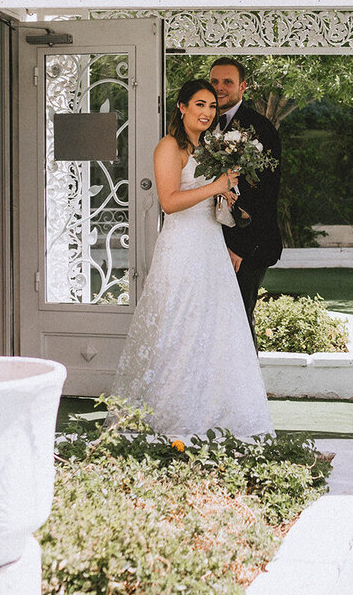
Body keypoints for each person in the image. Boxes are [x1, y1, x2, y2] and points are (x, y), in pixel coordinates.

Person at [110, 79, 273, 439]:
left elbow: (204, 200)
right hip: (182, 246)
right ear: (182, 107)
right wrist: (215, 187)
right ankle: (171, 416)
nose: (207, 112)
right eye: (200, 104)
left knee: (216, 329)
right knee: (179, 328)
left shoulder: (211, 148)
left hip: (211, 245)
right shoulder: (170, 146)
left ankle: (216, 416)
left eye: (213, 107)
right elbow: (169, 202)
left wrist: (224, 198)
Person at [209, 58, 282, 348]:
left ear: (243, 87)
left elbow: (265, 193)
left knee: (237, 319)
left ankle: (247, 392)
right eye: (214, 81)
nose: (220, 88)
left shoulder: (261, 128)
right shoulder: (203, 122)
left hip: (247, 246)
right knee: (214, 322)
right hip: (212, 240)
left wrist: (238, 247)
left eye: (227, 82)